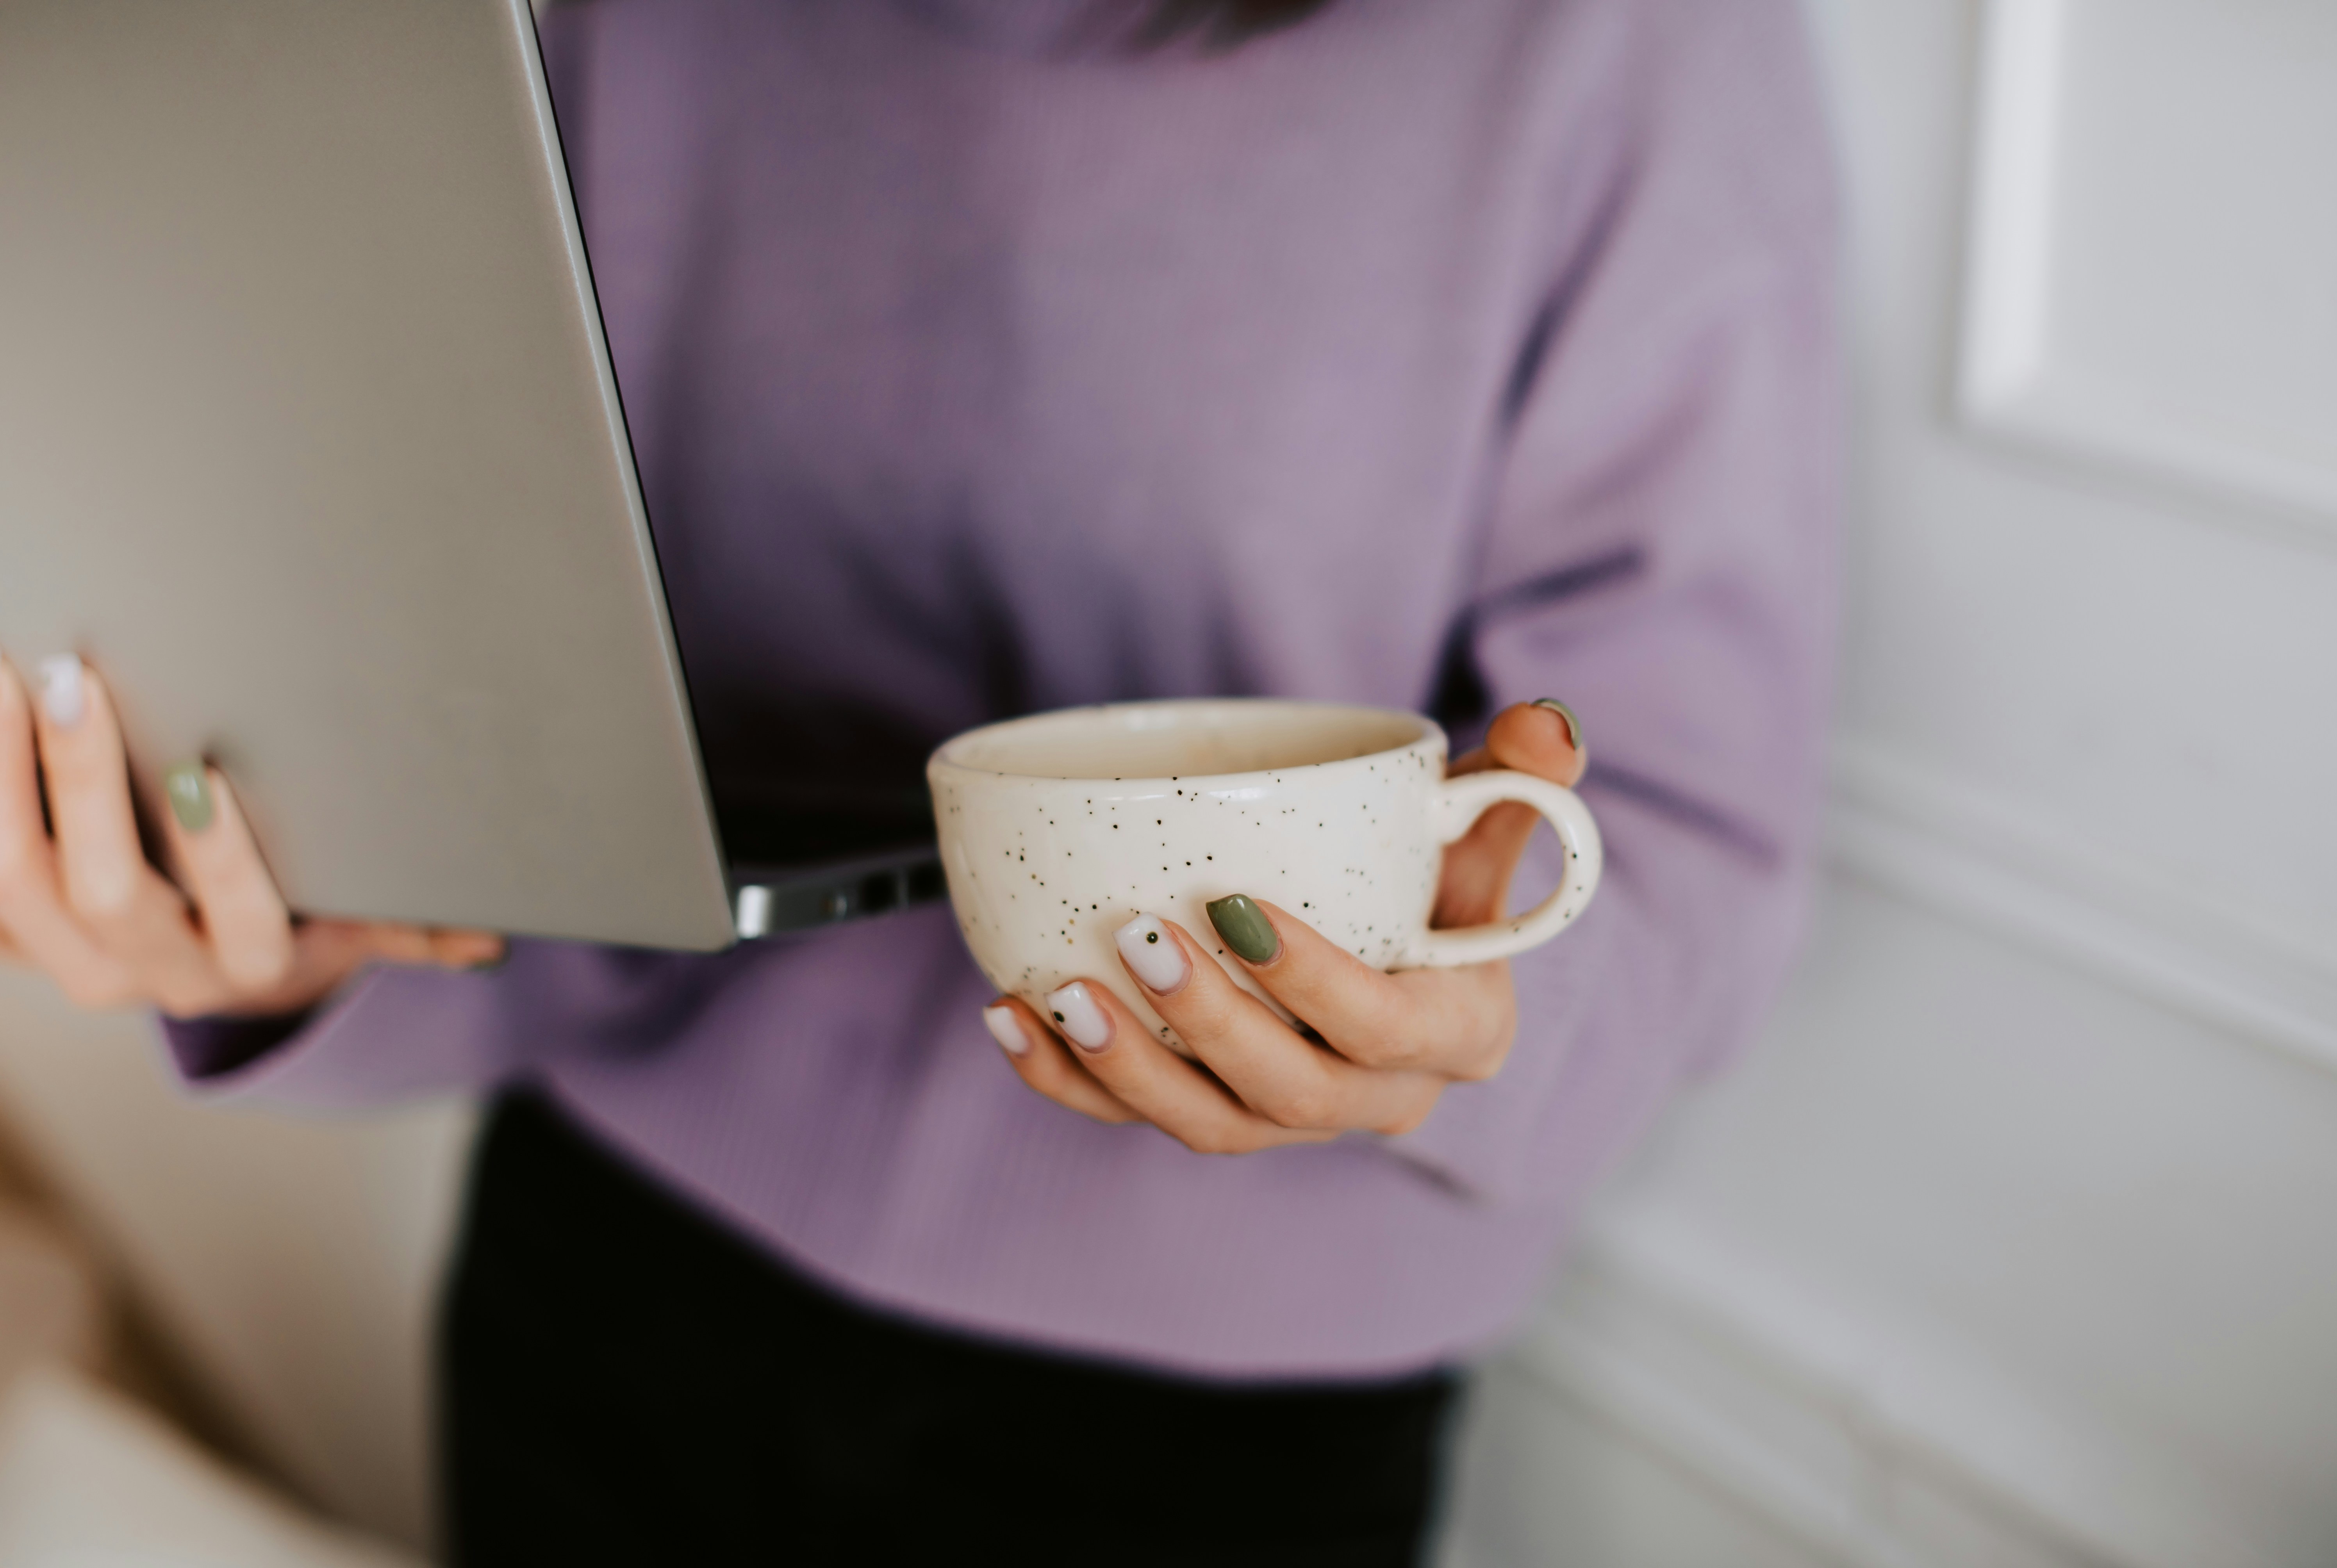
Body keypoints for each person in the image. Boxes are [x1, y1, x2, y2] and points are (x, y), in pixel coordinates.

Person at [0, 0, 1840, 1560]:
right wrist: (290, 917)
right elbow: (545, 693)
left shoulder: (1625, 45)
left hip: (1204, 1424)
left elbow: (1677, 830)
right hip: (604, 1256)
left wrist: (1476, 1001)